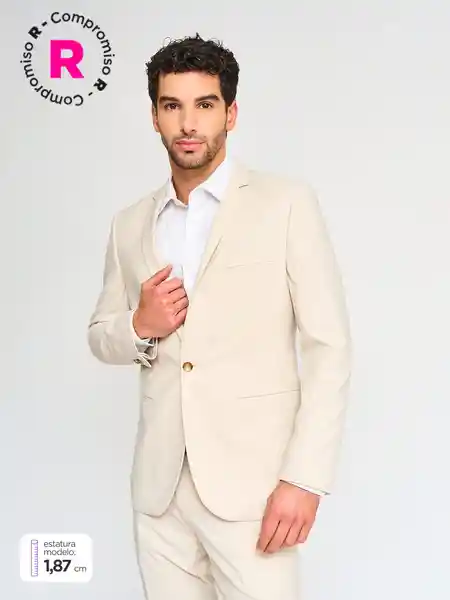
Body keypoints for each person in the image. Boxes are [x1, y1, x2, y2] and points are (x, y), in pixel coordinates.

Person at [87, 33, 352, 600]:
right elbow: (101, 335)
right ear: (154, 117)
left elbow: (328, 348)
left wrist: (304, 478)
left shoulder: (285, 204)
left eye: (204, 105)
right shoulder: (130, 223)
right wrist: (139, 325)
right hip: (159, 493)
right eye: (172, 105)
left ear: (230, 114)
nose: (188, 123)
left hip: (255, 490)